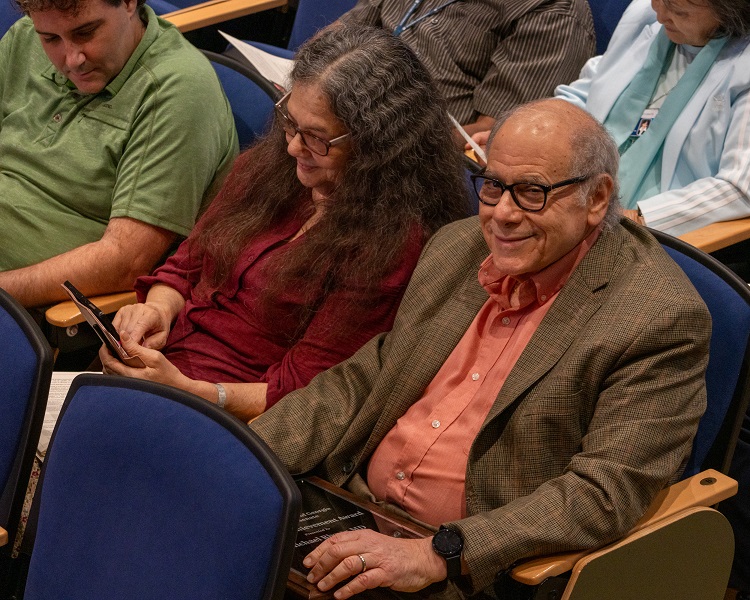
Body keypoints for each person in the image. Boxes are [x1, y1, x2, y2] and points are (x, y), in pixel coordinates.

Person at [249, 99, 710, 600]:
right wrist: (249, 455)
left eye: (532, 193)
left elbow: (603, 492)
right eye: (493, 186)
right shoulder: (459, 247)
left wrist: (440, 553)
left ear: (597, 198)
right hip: (350, 505)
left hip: (472, 568)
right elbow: (372, 373)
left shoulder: (657, 317)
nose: (503, 215)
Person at [99, 24, 470, 422]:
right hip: (159, 374)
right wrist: (157, 311)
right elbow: (186, 266)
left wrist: (191, 392)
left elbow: (306, 390)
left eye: (316, 138)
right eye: (290, 122)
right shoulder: (269, 169)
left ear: (377, 144)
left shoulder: (389, 245)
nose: (293, 146)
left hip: (232, 422)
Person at [0, 0, 238, 308]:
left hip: (26, 309)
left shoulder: (178, 89)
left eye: (86, 32)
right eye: (51, 40)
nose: (72, 59)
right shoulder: (26, 36)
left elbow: (125, 263)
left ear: (128, 3)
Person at [553, 0, 750, 237]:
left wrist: (639, 218)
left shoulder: (743, 67)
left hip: (655, 234)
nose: (660, 16)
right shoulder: (643, 14)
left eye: (679, 12)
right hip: (578, 192)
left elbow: (739, 188)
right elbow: (591, 88)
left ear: (730, 12)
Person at [339, 0, 595, 141]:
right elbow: (336, 37)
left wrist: (374, 148)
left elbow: (490, 134)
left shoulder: (553, 10)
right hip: (342, 108)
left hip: (412, 152)